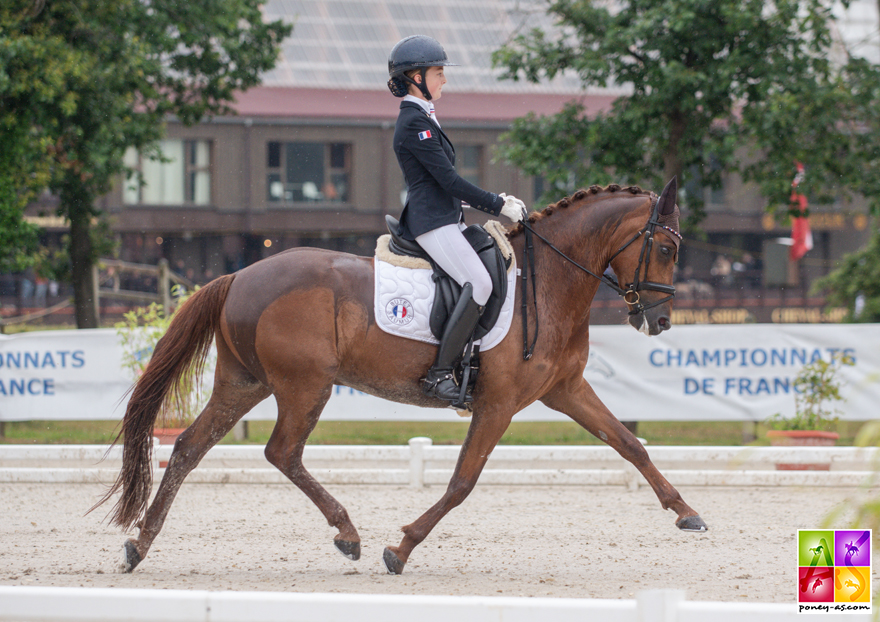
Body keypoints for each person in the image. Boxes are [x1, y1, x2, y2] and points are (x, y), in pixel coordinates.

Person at [387, 34, 528, 406]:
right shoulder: (414, 122)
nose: (443, 79)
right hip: (431, 221)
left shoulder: (424, 118)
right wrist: (497, 203)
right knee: (478, 283)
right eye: (438, 72)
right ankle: (438, 375)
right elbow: (447, 181)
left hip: (447, 217)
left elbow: (448, 183)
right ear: (415, 76)